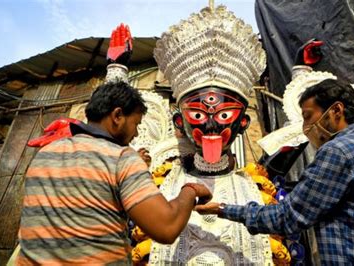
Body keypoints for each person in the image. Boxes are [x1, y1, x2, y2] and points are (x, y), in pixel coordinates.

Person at [196, 78, 354, 264]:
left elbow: (289, 218)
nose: (305, 128)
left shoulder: (340, 151)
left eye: (308, 117)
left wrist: (224, 209)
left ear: (335, 111)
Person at [16, 81, 212, 265]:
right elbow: (166, 228)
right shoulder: (120, 157)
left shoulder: (45, 153)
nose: (136, 133)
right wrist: (190, 190)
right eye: (136, 124)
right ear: (117, 116)